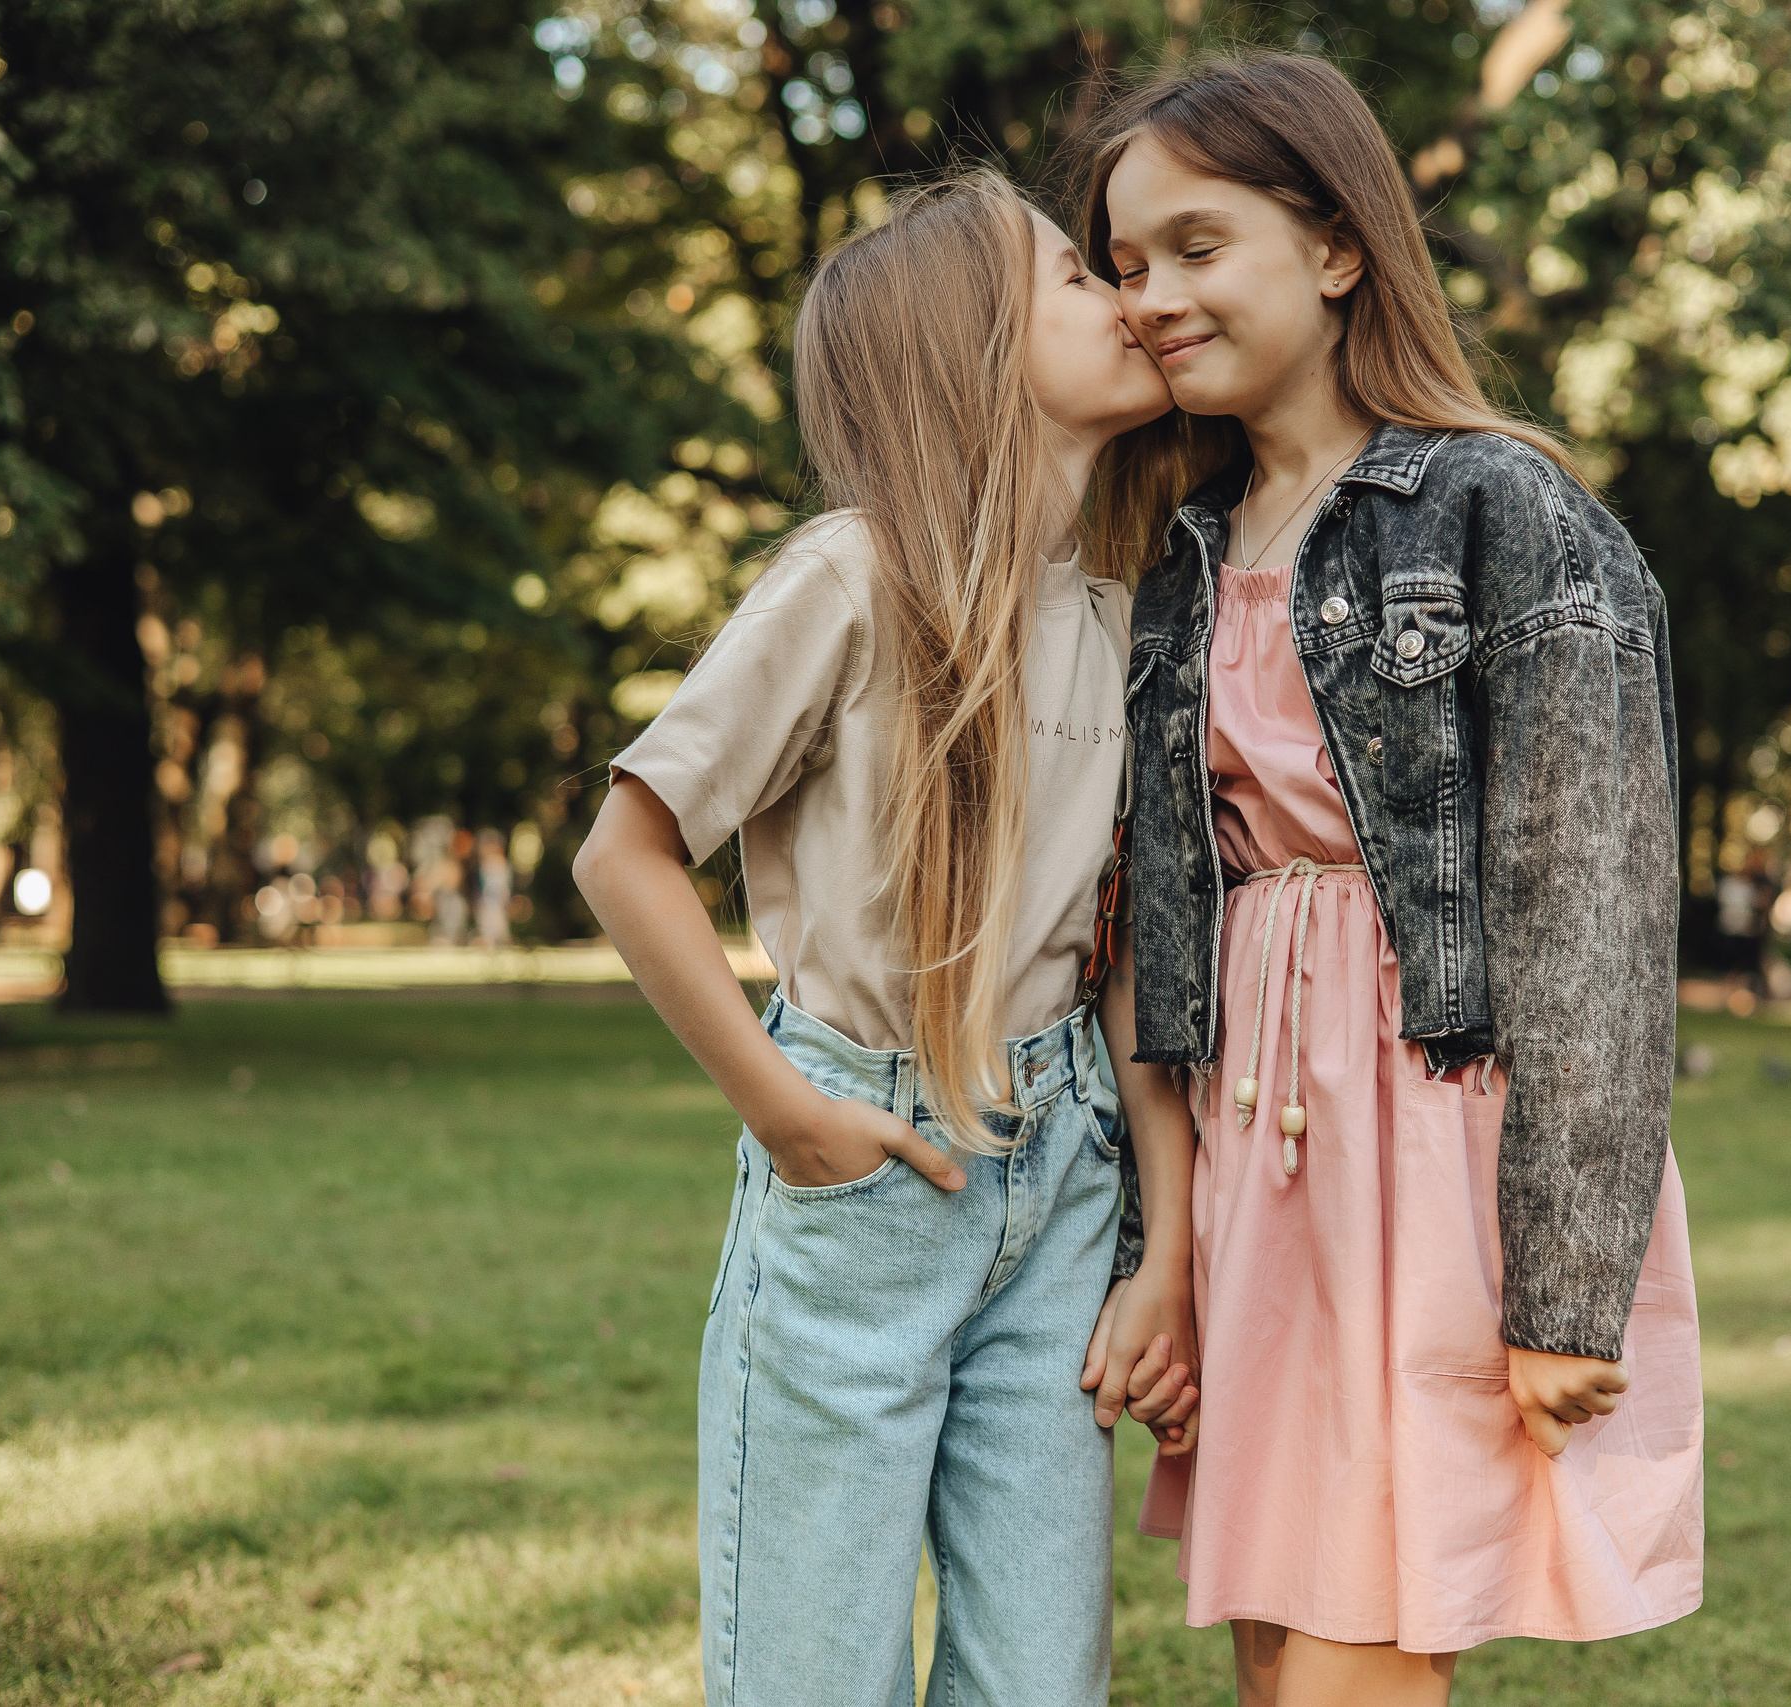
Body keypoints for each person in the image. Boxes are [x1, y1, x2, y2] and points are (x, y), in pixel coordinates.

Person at [1082, 51, 1702, 1707]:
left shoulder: (1505, 514)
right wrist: (1170, 1247)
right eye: (1126, 264)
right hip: (1255, 1139)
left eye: (1196, 246)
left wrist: (1567, 1284)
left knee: (1363, 1629)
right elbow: (1157, 922)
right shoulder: (1179, 552)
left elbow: (1596, 915)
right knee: (1280, 1641)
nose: (1149, 297)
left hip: (1430, 1132)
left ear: (1338, 245)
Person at [572, 171, 1200, 1707]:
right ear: (969, 344)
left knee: (1040, 1679)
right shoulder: (851, 577)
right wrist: (784, 1110)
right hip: (863, 1173)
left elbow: (1121, 955)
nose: (1123, 297)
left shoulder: (1121, 613)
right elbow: (627, 849)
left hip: (1059, 1188)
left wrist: (1167, 1242)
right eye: (1074, 275)